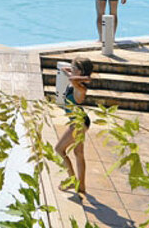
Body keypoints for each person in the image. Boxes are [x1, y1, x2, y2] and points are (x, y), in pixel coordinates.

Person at [54, 56, 93, 195]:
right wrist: (75, 71)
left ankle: (72, 181)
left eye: (74, 67)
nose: (71, 69)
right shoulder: (76, 81)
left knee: (59, 149)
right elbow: (64, 70)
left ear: (80, 71)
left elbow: (71, 78)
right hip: (79, 121)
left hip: (78, 123)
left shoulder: (79, 86)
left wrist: (82, 77)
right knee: (78, 153)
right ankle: (81, 186)